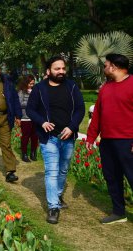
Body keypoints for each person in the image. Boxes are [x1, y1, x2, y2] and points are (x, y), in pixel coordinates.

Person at [26, 56, 85, 224]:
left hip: (68, 136)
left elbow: (80, 109)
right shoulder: (39, 89)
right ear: (48, 71)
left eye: (63, 68)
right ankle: (53, 207)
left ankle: (58, 195)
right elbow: (30, 110)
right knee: (52, 172)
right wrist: (42, 122)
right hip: (49, 138)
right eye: (57, 69)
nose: (61, 72)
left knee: (63, 170)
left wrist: (72, 127)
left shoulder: (72, 86)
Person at [86, 53, 133, 225]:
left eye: (105, 65)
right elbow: (97, 114)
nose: (104, 68)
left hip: (128, 141)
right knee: (112, 177)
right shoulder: (106, 88)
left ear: (113, 66)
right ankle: (119, 212)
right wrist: (90, 137)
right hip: (107, 141)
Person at [17, 74, 38, 162]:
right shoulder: (21, 92)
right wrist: (30, 103)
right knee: (25, 136)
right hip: (25, 118)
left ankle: (33, 153)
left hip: (35, 117)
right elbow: (19, 103)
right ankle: (24, 154)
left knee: (35, 136)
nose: (31, 85)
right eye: (30, 84)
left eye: (33, 84)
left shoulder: (35, 91)